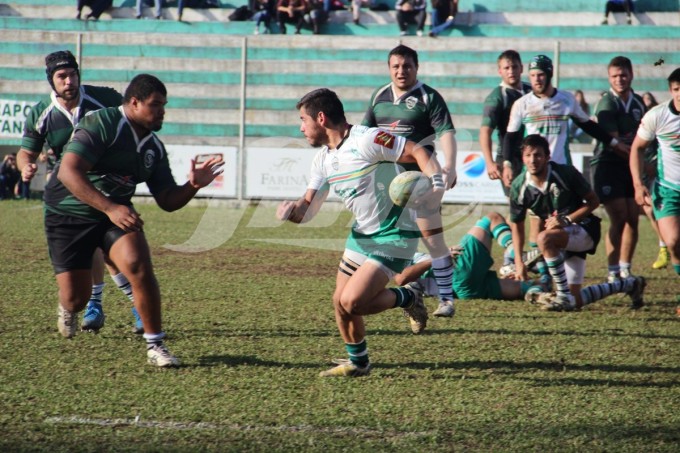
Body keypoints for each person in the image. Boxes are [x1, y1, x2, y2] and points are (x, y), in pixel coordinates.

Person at [45, 73, 224, 366]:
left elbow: (166, 200)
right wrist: (111, 208)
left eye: (164, 105)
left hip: (113, 213)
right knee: (77, 298)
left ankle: (156, 346)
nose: (162, 111)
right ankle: (67, 306)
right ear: (134, 102)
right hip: (69, 212)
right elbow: (68, 173)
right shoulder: (102, 123)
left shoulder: (153, 147)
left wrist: (193, 185)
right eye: (155, 105)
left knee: (139, 266)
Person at [277, 88, 443, 377]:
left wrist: (437, 182)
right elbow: (307, 208)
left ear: (321, 117)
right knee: (339, 303)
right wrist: (292, 211)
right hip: (362, 235)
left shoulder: (367, 139)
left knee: (353, 301)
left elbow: (416, 149)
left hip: (395, 233)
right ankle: (359, 363)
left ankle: (408, 297)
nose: (301, 127)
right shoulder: (323, 160)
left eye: (303, 120)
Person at [17, 50, 143, 334]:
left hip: (108, 186)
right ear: (51, 80)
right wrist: (26, 168)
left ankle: (120, 304)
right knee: (94, 250)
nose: (69, 81)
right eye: (62, 76)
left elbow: (134, 119)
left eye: (73, 74)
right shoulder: (41, 113)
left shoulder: (104, 99)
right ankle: (99, 303)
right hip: (69, 193)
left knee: (111, 248)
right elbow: (26, 152)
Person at [362, 44, 458, 318]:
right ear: (389, 68)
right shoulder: (378, 96)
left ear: (417, 67)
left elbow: (446, 133)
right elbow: (364, 137)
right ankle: (411, 290)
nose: (401, 71)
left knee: (432, 238)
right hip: (386, 184)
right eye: (396, 66)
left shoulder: (430, 97)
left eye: (407, 66)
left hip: (420, 181)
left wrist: (449, 166)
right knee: (390, 239)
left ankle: (447, 300)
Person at [509, 134, 645, 311]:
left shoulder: (566, 173)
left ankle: (562, 296)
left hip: (584, 229)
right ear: (522, 158)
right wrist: (519, 263)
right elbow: (517, 227)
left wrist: (566, 220)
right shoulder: (519, 187)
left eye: (538, 155)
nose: (533, 160)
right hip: (562, 239)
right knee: (576, 301)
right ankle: (630, 284)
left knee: (544, 238)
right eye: (528, 155)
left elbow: (594, 202)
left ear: (548, 157)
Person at [394, 211, 548, 303]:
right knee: (492, 218)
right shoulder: (395, 251)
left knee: (523, 286)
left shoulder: (406, 249)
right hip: (458, 275)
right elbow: (401, 279)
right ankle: (518, 257)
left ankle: (539, 293)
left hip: (464, 291)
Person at [590, 56, 646, 283]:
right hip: (607, 165)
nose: (619, 79)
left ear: (631, 75)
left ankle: (625, 268)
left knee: (633, 217)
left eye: (623, 75)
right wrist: (641, 160)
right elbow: (617, 145)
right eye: (614, 76)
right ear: (609, 78)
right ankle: (612, 270)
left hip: (628, 164)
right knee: (619, 216)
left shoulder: (639, 103)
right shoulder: (607, 103)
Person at [631, 68, 680, 316]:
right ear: (671, 90)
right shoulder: (657, 116)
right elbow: (637, 148)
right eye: (676, 89)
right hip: (668, 190)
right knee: (673, 242)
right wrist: (638, 184)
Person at [479, 50, 531, 198]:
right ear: (499, 71)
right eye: (506, 68)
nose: (511, 71)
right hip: (509, 158)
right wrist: (489, 162)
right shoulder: (496, 98)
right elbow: (485, 132)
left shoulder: (531, 90)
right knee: (517, 206)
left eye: (514, 67)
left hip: (533, 155)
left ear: (521, 68)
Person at [639, 91, 669, 269]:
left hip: (663, 173)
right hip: (645, 173)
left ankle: (666, 246)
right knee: (650, 210)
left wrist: (654, 165)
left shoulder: (661, 121)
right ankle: (663, 247)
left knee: (654, 208)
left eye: (648, 101)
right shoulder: (641, 125)